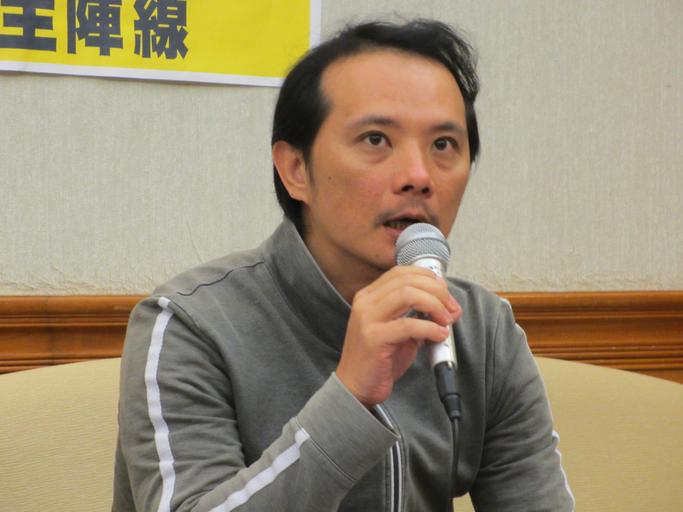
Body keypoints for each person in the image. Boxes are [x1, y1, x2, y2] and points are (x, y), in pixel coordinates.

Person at [112, 19, 574, 512]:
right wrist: (348, 397)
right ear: (296, 170)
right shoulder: (190, 324)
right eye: (376, 139)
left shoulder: (481, 329)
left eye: (443, 145)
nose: (418, 176)